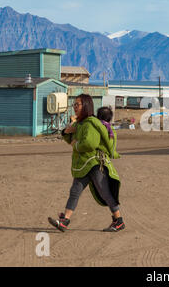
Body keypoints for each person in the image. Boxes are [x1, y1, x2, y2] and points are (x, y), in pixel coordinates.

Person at [48, 94, 124, 232]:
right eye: (74, 105)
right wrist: (67, 131)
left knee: (105, 192)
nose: (75, 107)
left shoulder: (90, 123)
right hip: (84, 164)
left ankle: (118, 220)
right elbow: (70, 138)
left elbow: (90, 143)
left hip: (94, 163)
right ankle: (65, 220)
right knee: (75, 191)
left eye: (78, 104)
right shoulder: (80, 123)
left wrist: (75, 145)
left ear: (86, 105)